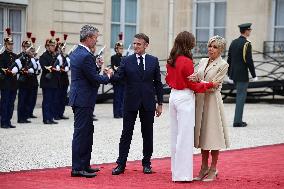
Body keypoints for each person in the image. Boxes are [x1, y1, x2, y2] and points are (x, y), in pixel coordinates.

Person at [165, 31, 218, 182]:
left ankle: (176, 172)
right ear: (188, 43)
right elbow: (192, 85)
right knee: (185, 136)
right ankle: (183, 175)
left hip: (173, 96)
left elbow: (168, 79)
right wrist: (209, 84)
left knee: (175, 136)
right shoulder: (186, 61)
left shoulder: (171, 60)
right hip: (184, 97)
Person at [111, 33, 163, 175]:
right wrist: (110, 75)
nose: (135, 46)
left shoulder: (153, 61)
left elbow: (158, 83)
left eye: (138, 44)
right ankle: (121, 164)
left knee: (147, 134)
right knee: (126, 133)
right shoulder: (126, 61)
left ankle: (147, 163)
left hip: (148, 103)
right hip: (130, 102)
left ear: (146, 45)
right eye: (134, 43)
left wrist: (160, 103)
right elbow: (119, 78)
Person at [69, 25, 112, 178]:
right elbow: (93, 78)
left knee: (87, 131)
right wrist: (108, 76)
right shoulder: (85, 55)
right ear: (87, 38)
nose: (96, 40)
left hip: (81, 97)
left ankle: (84, 164)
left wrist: (97, 66)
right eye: (95, 37)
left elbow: (86, 73)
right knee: (81, 133)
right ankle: (77, 168)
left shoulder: (77, 51)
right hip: (83, 98)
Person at [190, 35, 230, 182]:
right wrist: (193, 78)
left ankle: (213, 168)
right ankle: (203, 167)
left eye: (215, 47)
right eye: (210, 46)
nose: (211, 49)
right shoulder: (202, 61)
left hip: (212, 102)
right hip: (200, 101)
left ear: (220, 50)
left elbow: (215, 85)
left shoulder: (223, 64)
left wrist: (198, 81)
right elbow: (195, 75)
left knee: (212, 136)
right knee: (202, 136)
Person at [227, 23, 257, 127]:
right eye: (249, 30)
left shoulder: (233, 42)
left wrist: (229, 75)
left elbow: (229, 59)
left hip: (234, 75)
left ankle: (238, 120)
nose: (250, 32)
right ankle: (237, 121)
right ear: (246, 31)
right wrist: (254, 75)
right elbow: (249, 60)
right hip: (242, 75)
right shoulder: (246, 44)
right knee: (241, 97)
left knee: (239, 96)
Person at [39, 31, 60, 124]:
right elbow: (45, 67)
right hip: (47, 82)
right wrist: (53, 67)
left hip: (54, 82)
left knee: (52, 101)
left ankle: (51, 117)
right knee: (47, 101)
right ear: (47, 46)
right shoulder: (44, 56)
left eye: (54, 45)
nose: (53, 47)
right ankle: (46, 118)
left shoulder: (54, 56)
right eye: (51, 45)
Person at [0, 28, 19, 129]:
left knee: (11, 103)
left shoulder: (15, 56)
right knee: (5, 103)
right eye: (9, 44)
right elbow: (2, 69)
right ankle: (3, 122)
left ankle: (8, 120)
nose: (11, 46)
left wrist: (17, 70)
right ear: (5, 45)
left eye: (12, 44)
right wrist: (9, 71)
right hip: (5, 83)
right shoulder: (2, 56)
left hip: (13, 83)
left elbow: (19, 67)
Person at [111, 34, 124, 118]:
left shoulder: (124, 58)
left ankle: (121, 112)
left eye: (122, 48)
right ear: (116, 49)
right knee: (117, 97)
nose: (121, 50)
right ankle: (116, 113)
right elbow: (114, 67)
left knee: (123, 97)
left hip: (123, 80)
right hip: (117, 80)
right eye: (120, 48)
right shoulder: (114, 57)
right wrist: (120, 68)